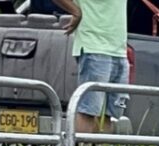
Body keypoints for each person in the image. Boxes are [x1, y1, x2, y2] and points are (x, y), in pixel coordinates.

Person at [53, 0, 128, 134]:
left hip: (119, 50)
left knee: (107, 116)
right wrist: (76, 11)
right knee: (88, 110)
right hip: (94, 47)